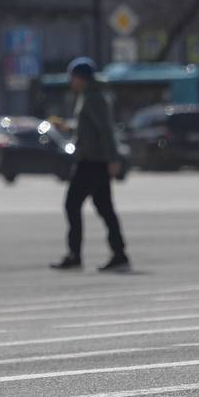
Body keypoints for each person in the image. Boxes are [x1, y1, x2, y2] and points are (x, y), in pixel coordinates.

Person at [51, 57, 131, 273]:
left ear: (81, 78)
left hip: (92, 162)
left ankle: (75, 255)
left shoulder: (93, 98)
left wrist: (113, 158)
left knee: (72, 204)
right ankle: (119, 253)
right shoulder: (90, 96)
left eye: (73, 77)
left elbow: (106, 129)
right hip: (96, 160)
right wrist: (71, 129)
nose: (71, 81)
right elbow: (92, 129)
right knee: (105, 209)